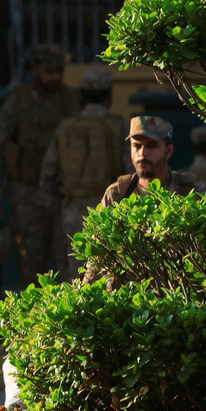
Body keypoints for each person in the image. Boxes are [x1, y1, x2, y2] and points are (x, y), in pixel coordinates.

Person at [0, 44, 79, 287]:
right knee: (31, 273)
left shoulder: (71, 100)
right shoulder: (18, 101)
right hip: (27, 199)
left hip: (63, 199)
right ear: (36, 69)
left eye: (59, 71)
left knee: (70, 269)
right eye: (49, 71)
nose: (56, 77)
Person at [38, 69, 130, 280]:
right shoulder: (120, 126)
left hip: (70, 213)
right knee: (110, 275)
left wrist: (55, 207)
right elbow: (132, 175)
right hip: (109, 214)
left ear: (81, 95)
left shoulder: (65, 128)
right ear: (110, 95)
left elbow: (47, 174)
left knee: (75, 276)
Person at [98, 116, 205, 209]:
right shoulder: (117, 194)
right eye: (137, 146)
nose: (142, 153)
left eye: (151, 146)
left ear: (168, 151)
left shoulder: (192, 191)